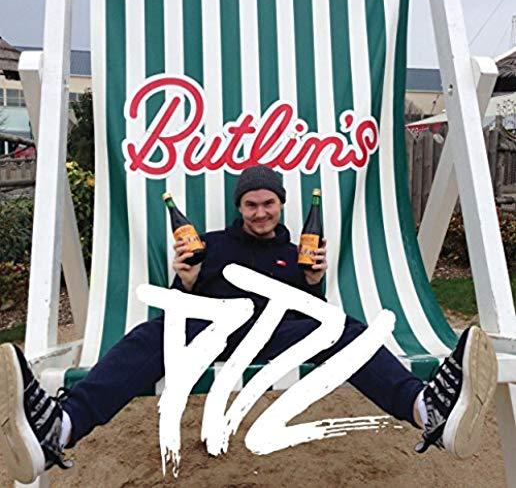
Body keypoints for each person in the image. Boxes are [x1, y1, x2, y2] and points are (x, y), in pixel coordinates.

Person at [0, 165, 497, 484]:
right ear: (239, 207)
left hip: (277, 334)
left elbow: (309, 317)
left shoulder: (296, 252)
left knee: (344, 328)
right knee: (151, 335)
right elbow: (179, 312)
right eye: (251, 204)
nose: (260, 212)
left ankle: (426, 409)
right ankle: (62, 427)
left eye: (268, 203)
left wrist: (313, 283)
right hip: (212, 332)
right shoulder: (210, 244)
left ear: (281, 204)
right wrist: (186, 282)